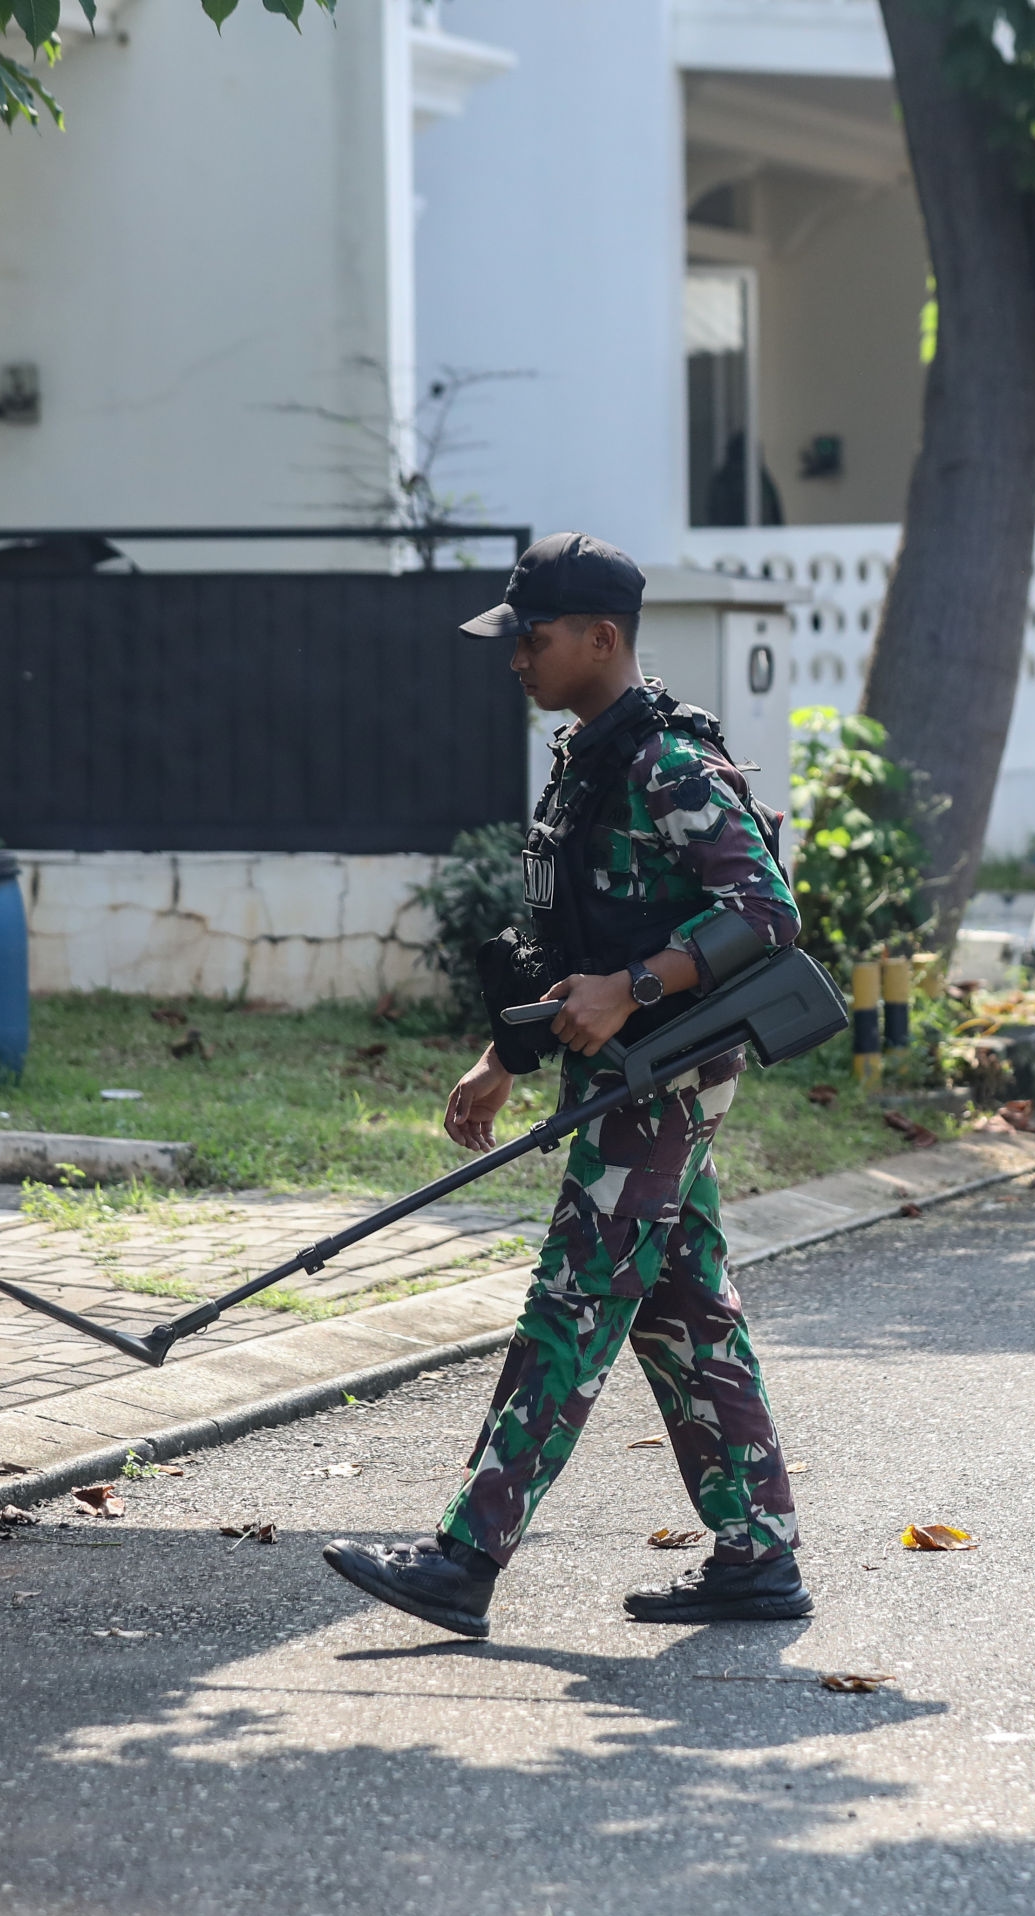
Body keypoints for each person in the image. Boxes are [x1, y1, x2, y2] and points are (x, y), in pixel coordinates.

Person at [321, 532, 810, 1639]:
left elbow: (766, 911)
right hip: (621, 1067)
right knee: (682, 1313)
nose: (516, 658)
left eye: (531, 638)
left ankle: (464, 1557)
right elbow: (572, 938)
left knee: (574, 1301)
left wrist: (635, 989)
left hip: (666, 1071)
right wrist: (508, 1054)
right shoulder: (588, 759)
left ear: (599, 637)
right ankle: (758, 1554)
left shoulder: (669, 765)